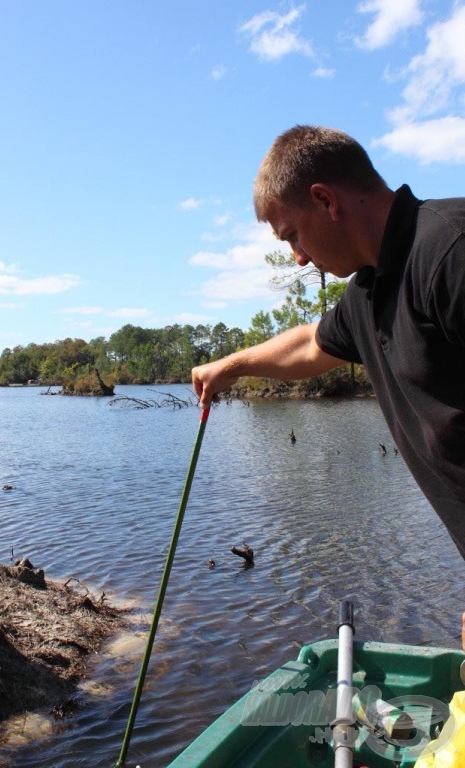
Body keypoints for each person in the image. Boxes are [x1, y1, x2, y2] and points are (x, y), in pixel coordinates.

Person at [192, 124, 465, 609]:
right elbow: (308, 347)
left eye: (292, 235)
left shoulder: (449, 253)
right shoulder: (369, 291)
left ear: (326, 200)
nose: (297, 258)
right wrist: (230, 366)